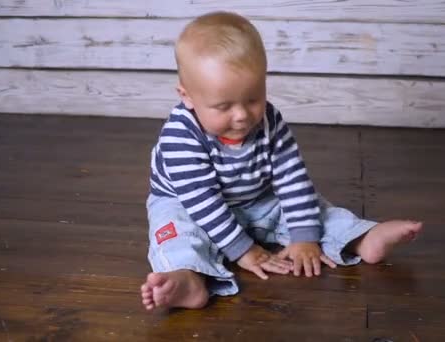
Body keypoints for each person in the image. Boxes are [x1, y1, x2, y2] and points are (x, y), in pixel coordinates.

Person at [140, 11, 423, 311]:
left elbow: (292, 177)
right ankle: (188, 277)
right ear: (188, 97)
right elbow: (204, 204)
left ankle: (361, 237)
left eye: (252, 98)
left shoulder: (269, 120)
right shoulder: (181, 138)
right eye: (223, 106)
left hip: (257, 197)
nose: (242, 115)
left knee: (315, 210)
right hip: (189, 205)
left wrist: (304, 238)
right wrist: (244, 251)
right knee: (176, 232)